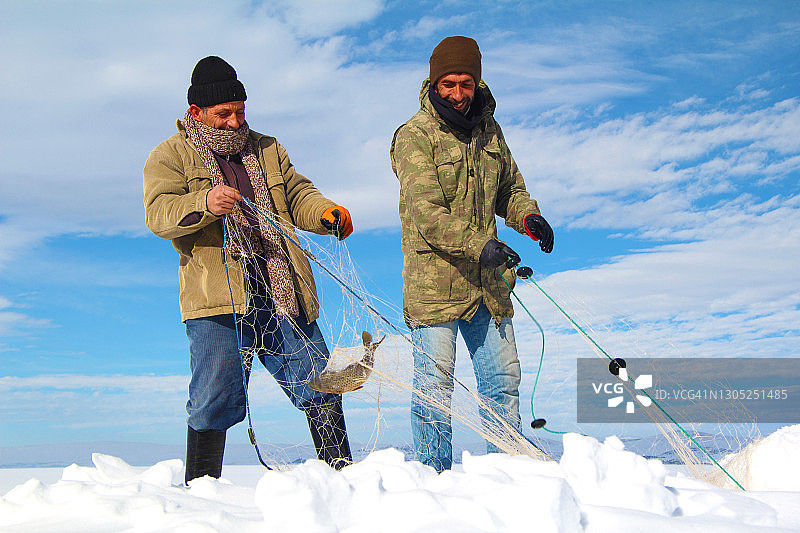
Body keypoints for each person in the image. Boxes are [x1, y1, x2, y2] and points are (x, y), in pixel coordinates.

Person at [143, 56, 355, 483]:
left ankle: (344, 481)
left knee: (321, 383)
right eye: (224, 113)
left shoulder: (267, 147)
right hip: (216, 301)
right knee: (213, 399)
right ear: (196, 112)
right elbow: (158, 214)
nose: (234, 121)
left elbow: (298, 193)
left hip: (281, 288)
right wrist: (203, 203)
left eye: (240, 111)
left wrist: (325, 213)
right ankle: (202, 493)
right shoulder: (169, 155)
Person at [389, 36, 554, 471]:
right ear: (434, 83)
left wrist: (528, 217)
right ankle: (434, 480)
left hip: (488, 286)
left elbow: (510, 189)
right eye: (449, 84)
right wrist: (480, 245)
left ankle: (505, 474)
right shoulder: (414, 136)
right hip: (434, 288)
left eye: (466, 83)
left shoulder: (490, 131)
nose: (458, 94)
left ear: (477, 82)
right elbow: (427, 213)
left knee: (502, 385)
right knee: (434, 391)